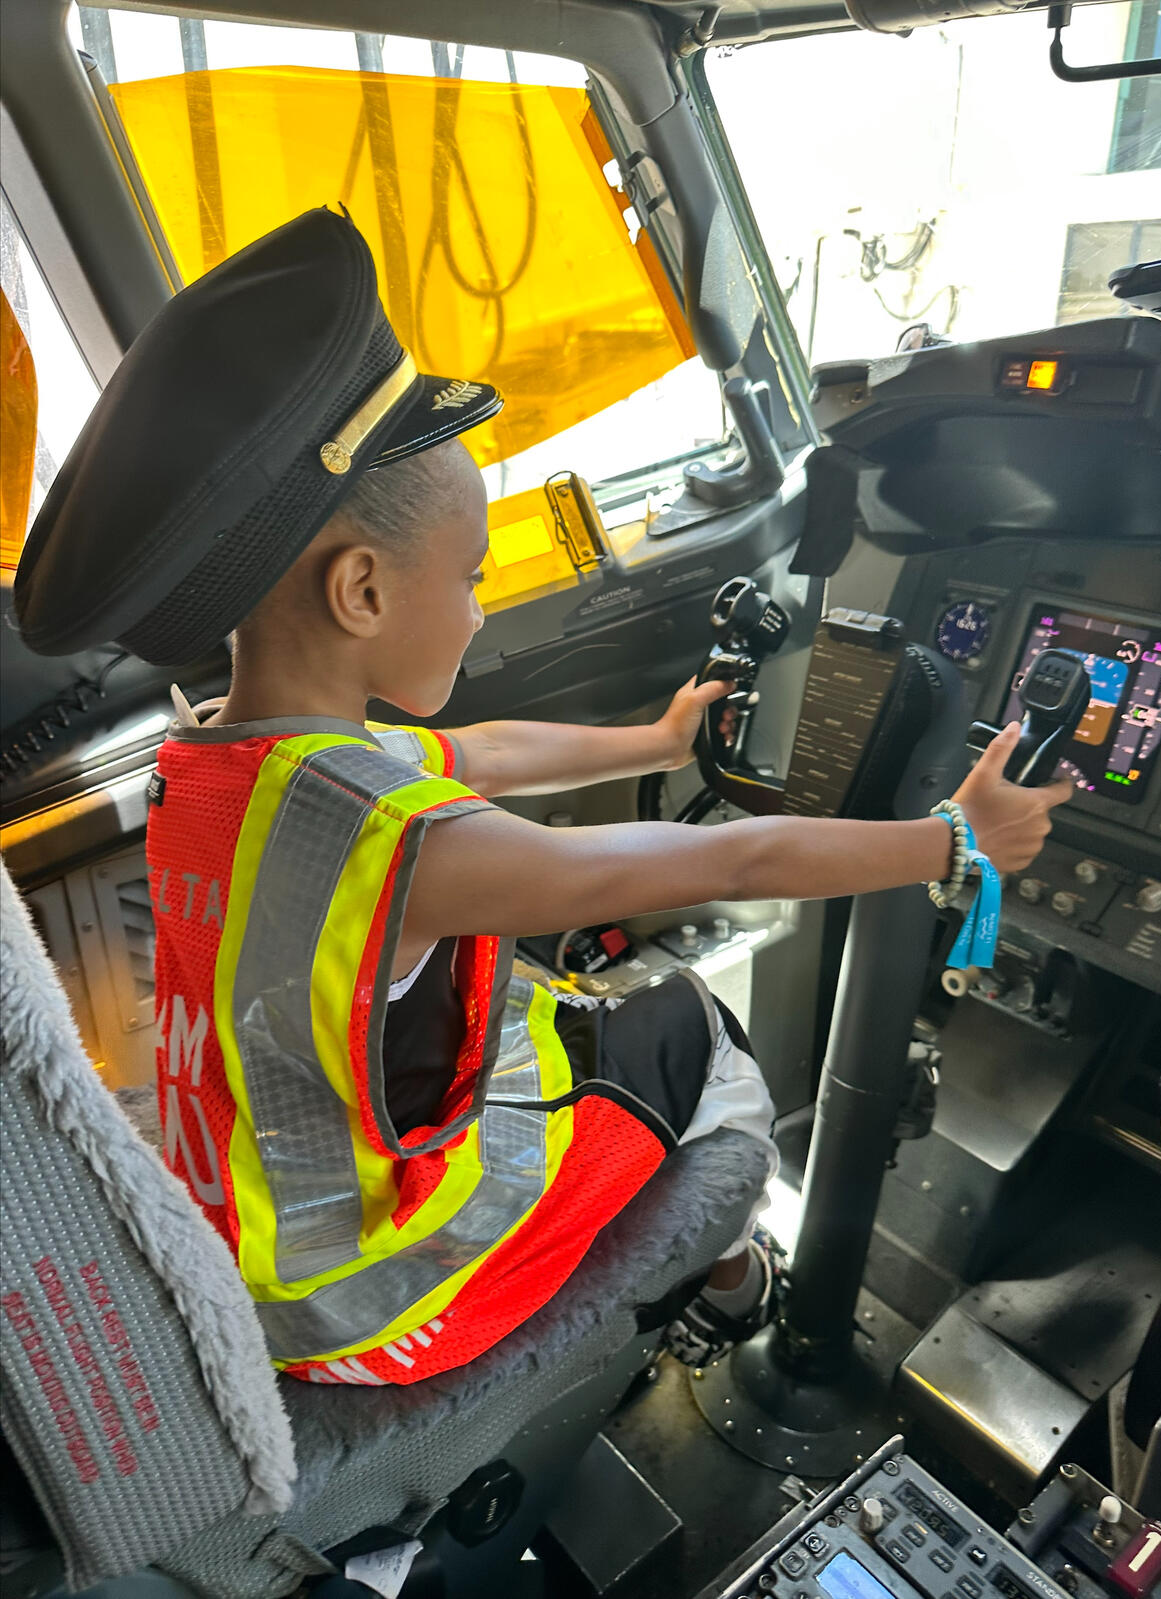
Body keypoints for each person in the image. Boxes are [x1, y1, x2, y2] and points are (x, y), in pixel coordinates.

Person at [13, 209, 1069, 1389]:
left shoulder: (217, 763)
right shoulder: (407, 847)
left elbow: (483, 749)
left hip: (260, 1228)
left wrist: (655, 733)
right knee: (697, 1044)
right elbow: (732, 861)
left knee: (564, 1014)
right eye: (467, 582)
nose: (474, 612)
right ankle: (731, 1289)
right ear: (360, 589)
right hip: (365, 1298)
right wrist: (951, 840)